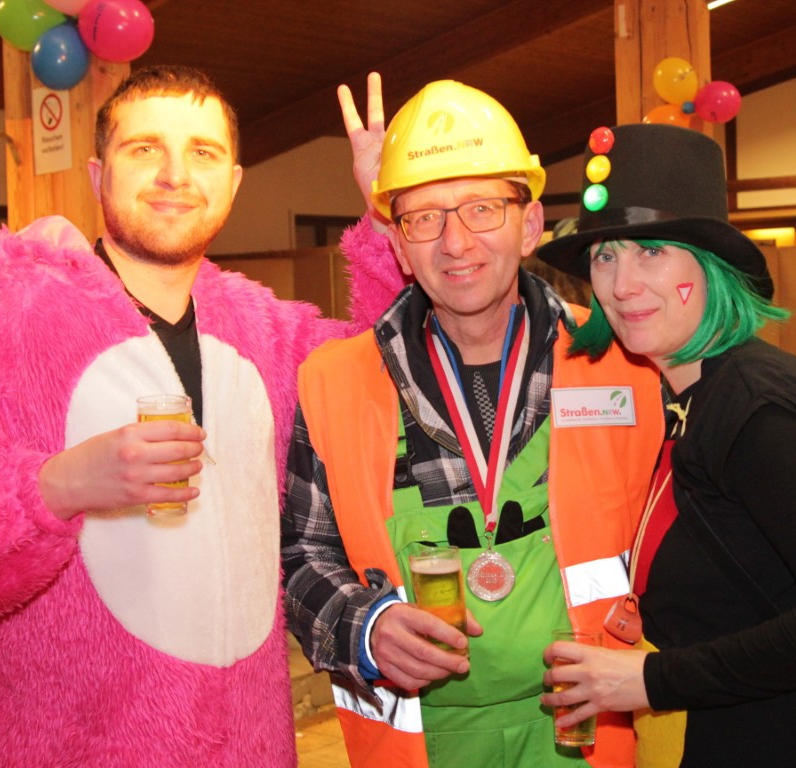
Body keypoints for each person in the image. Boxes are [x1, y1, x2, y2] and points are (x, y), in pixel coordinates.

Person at [0, 65, 396, 767]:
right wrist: (55, 489)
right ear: (98, 176)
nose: (175, 174)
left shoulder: (270, 334)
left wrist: (390, 218)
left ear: (233, 183)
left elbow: (383, 375)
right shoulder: (4, 320)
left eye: (202, 152)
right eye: (145, 148)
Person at [281, 75, 665, 768]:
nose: (455, 242)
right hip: (419, 746)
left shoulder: (626, 364)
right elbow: (303, 555)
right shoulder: (333, 382)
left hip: (586, 731)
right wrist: (364, 626)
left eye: (483, 209)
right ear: (398, 247)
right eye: (424, 218)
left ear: (531, 226)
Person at [536, 123, 796, 767]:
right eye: (604, 257)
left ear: (710, 266)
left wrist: (652, 680)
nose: (622, 285)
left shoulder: (759, 407)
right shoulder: (685, 397)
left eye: (652, 252)